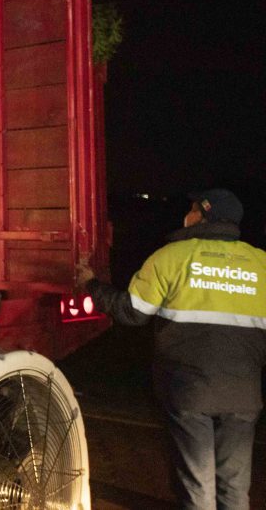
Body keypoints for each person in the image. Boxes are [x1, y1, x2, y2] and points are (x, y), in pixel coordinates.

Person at [79, 188, 266, 510]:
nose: (187, 215)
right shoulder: (260, 262)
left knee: (198, 483)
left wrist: (92, 284)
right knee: (235, 486)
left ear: (202, 215)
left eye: (192, 209)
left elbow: (132, 311)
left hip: (190, 390)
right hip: (245, 391)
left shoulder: (173, 256)